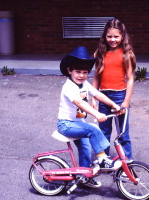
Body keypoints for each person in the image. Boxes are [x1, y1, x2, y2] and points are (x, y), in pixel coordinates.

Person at [57, 46, 122, 189]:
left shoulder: (84, 84)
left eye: (85, 72)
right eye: (78, 72)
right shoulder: (69, 87)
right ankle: (102, 159)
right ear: (69, 71)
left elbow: (97, 94)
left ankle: (84, 177)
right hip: (66, 124)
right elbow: (79, 102)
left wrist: (113, 104)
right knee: (92, 129)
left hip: (78, 123)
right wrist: (97, 114)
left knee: (85, 149)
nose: (81, 75)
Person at [92, 18, 136, 160]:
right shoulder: (100, 53)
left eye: (116, 36)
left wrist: (126, 101)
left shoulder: (126, 54)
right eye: (109, 36)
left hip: (119, 97)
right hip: (103, 97)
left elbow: (130, 79)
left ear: (122, 36)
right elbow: (96, 78)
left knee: (122, 132)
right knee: (103, 131)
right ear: (104, 36)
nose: (113, 39)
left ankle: (126, 162)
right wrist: (93, 98)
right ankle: (104, 160)